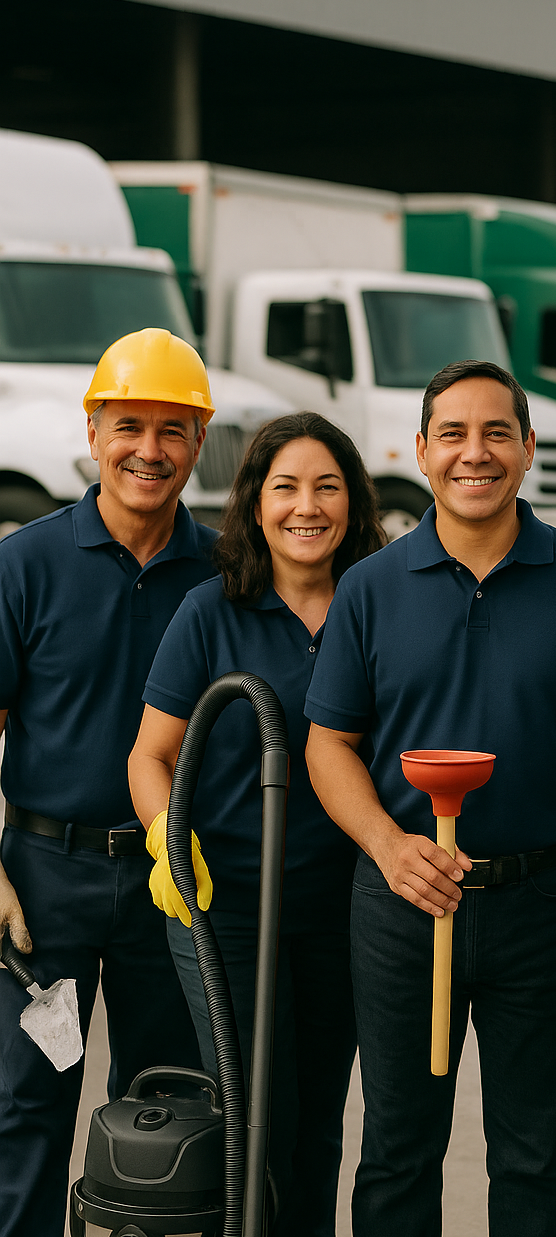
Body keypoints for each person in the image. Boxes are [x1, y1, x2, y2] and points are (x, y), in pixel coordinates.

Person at [303, 359, 556, 1237]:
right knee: (396, 1148)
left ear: (528, 448)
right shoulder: (371, 586)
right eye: (454, 434)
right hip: (402, 903)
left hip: (546, 903)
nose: (476, 453)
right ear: (421, 451)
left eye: (497, 432)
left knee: (533, 1155)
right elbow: (327, 745)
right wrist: (389, 846)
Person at [129, 411, 385, 1235]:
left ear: (353, 502)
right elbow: (150, 756)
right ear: (255, 502)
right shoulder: (211, 611)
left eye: (327, 487)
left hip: (344, 907)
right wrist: (169, 843)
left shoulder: (377, 607)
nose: (306, 507)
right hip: (226, 906)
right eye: (286, 487)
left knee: (318, 1122)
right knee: (257, 1122)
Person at [0, 328, 219, 1237]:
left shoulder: (224, 573)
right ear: (93, 432)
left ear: (199, 443)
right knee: (27, 1104)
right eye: (129, 425)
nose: (149, 450)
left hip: (173, 877)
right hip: (43, 880)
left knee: (163, 1108)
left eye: (173, 430)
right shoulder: (25, 564)